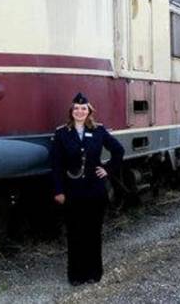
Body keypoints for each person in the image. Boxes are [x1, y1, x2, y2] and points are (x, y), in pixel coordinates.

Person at [50, 92, 125, 285]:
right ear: (71, 111)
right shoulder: (61, 134)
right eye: (76, 108)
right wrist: (58, 190)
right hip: (72, 191)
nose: (80, 111)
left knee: (93, 233)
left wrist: (107, 169)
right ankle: (76, 276)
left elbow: (119, 151)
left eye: (83, 108)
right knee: (75, 233)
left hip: (94, 191)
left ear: (89, 111)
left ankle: (94, 273)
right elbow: (56, 165)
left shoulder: (99, 131)